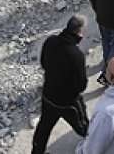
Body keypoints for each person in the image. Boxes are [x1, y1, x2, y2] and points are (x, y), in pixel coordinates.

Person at [32, 15, 90, 154]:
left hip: (49, 96)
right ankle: (95, 146)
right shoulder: (76, 55)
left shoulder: (50, 41)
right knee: (84, 127)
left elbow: (43, 63)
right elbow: (81, 85)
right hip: (69, 103)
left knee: (43, 129)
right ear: (79, 31)